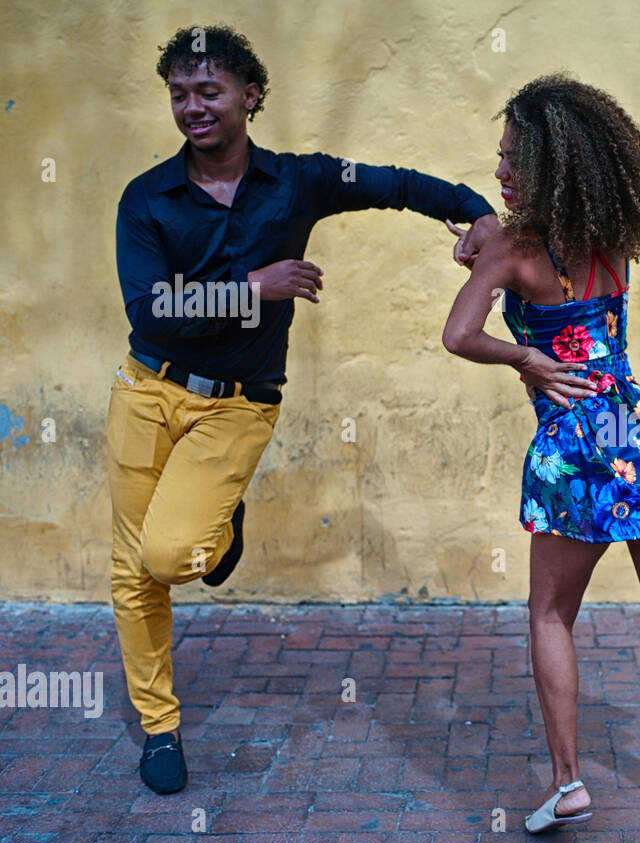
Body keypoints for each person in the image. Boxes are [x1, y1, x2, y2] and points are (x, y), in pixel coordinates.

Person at [110, 24, 499, 794]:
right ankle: (159, 728)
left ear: (250, 96)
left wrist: (476, 211)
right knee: (133, 573)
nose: (193, 108)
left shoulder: (302, 180)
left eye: (208, 92)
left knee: (170, 556)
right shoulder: (146, 198)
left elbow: (395, 184)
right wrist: (254, 287)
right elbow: (151, 308)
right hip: (146, 390)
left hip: (237, 406)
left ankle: (217, 534)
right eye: (179, 95)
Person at [442, 74, 640, 843]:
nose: (501, 173)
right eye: (500, 159)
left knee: (549, 614)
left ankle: (568, 783)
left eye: (513, 161)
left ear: (549, 167)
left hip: (576, 451)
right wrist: (481, 242)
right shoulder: (612, 236)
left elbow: (457, 336)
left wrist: (525, 360)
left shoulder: (514, 251)